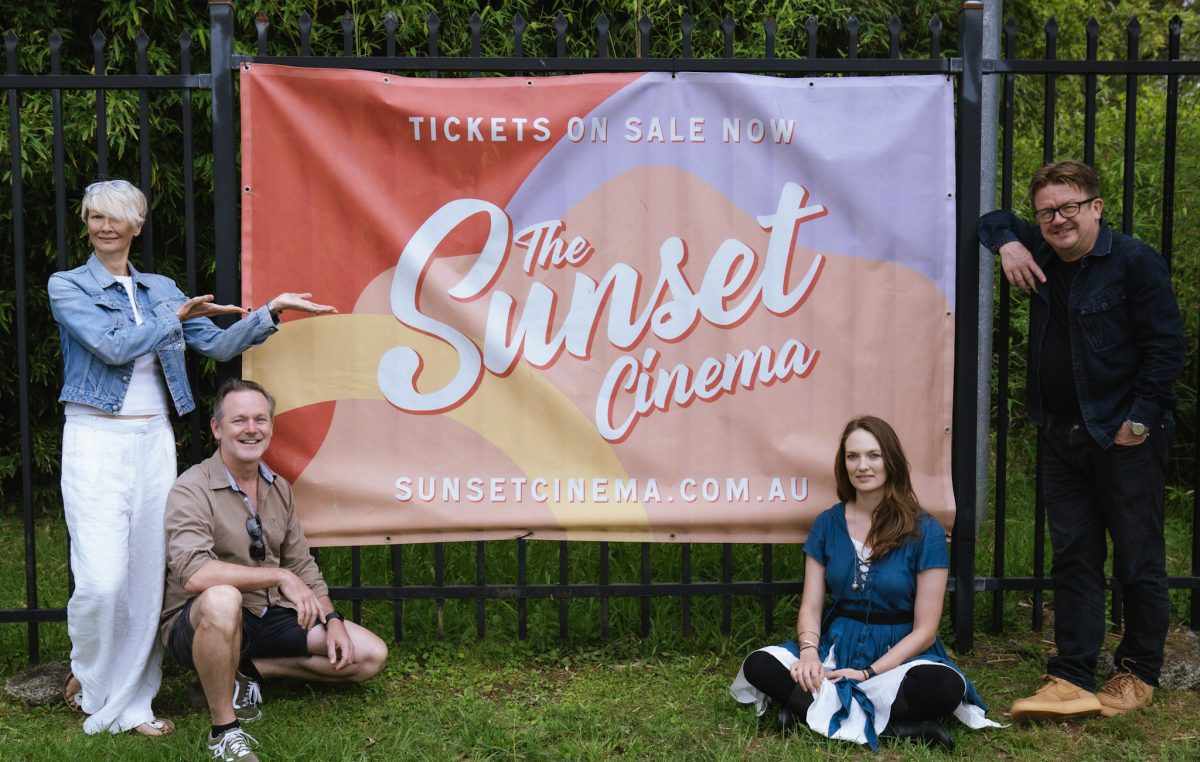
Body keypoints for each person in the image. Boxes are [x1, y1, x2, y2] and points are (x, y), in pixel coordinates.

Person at [49, 179, 336, 736]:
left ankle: (133, 702)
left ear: (136, 226)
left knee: (144, 579)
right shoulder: (69, 286)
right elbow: (110, 345)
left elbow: (219, 345)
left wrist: (271, 311)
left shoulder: (161, 289)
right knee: (102, 580)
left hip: (152, 438)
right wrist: (172, 319)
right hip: (94, 437)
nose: (104, 227)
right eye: (95, 217)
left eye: (117, 218)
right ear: (86, 223)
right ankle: (90, 674)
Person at [978, 161, 1186, 720]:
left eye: (1070, 206)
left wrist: (1138, 421)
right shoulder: (1041, 249)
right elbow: (991, 218)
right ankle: (1071, 674)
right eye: (1047, 210)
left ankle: (1138, 671)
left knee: (1138, 557)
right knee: (1074, 556)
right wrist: (1008, 245)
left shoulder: (1134, 263)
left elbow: (1167, 348)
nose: (1058, 219)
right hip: (1061, 436)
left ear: (1096, 207)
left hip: (1125, 437)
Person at [730, 416, 1000, 750]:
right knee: (761, 664)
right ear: (843, 465)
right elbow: (811, 606)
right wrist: (810, 654)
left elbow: (926, 630)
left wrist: (868, 674)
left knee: (944, 686)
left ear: (891, 461)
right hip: (836, 647)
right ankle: (900, 727)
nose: (863, 465)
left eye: (873, 455)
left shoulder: (925, 530)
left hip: (897, 656)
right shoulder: (827, 524)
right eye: (852, 456)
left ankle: (807, 711)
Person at [162, 378, 388, 761]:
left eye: (260, 419)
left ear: (270, 426)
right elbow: (193, 573)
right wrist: (279, 576)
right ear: (217, 429)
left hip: (270, 615)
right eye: (239, 421)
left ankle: (249, 670)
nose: (252, 429)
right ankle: (224, 731)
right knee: (222, 598)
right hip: (205, 621)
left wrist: (332, 618)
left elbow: (301, 562)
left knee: (369, 655)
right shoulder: (192, 488)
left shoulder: (278, 486)